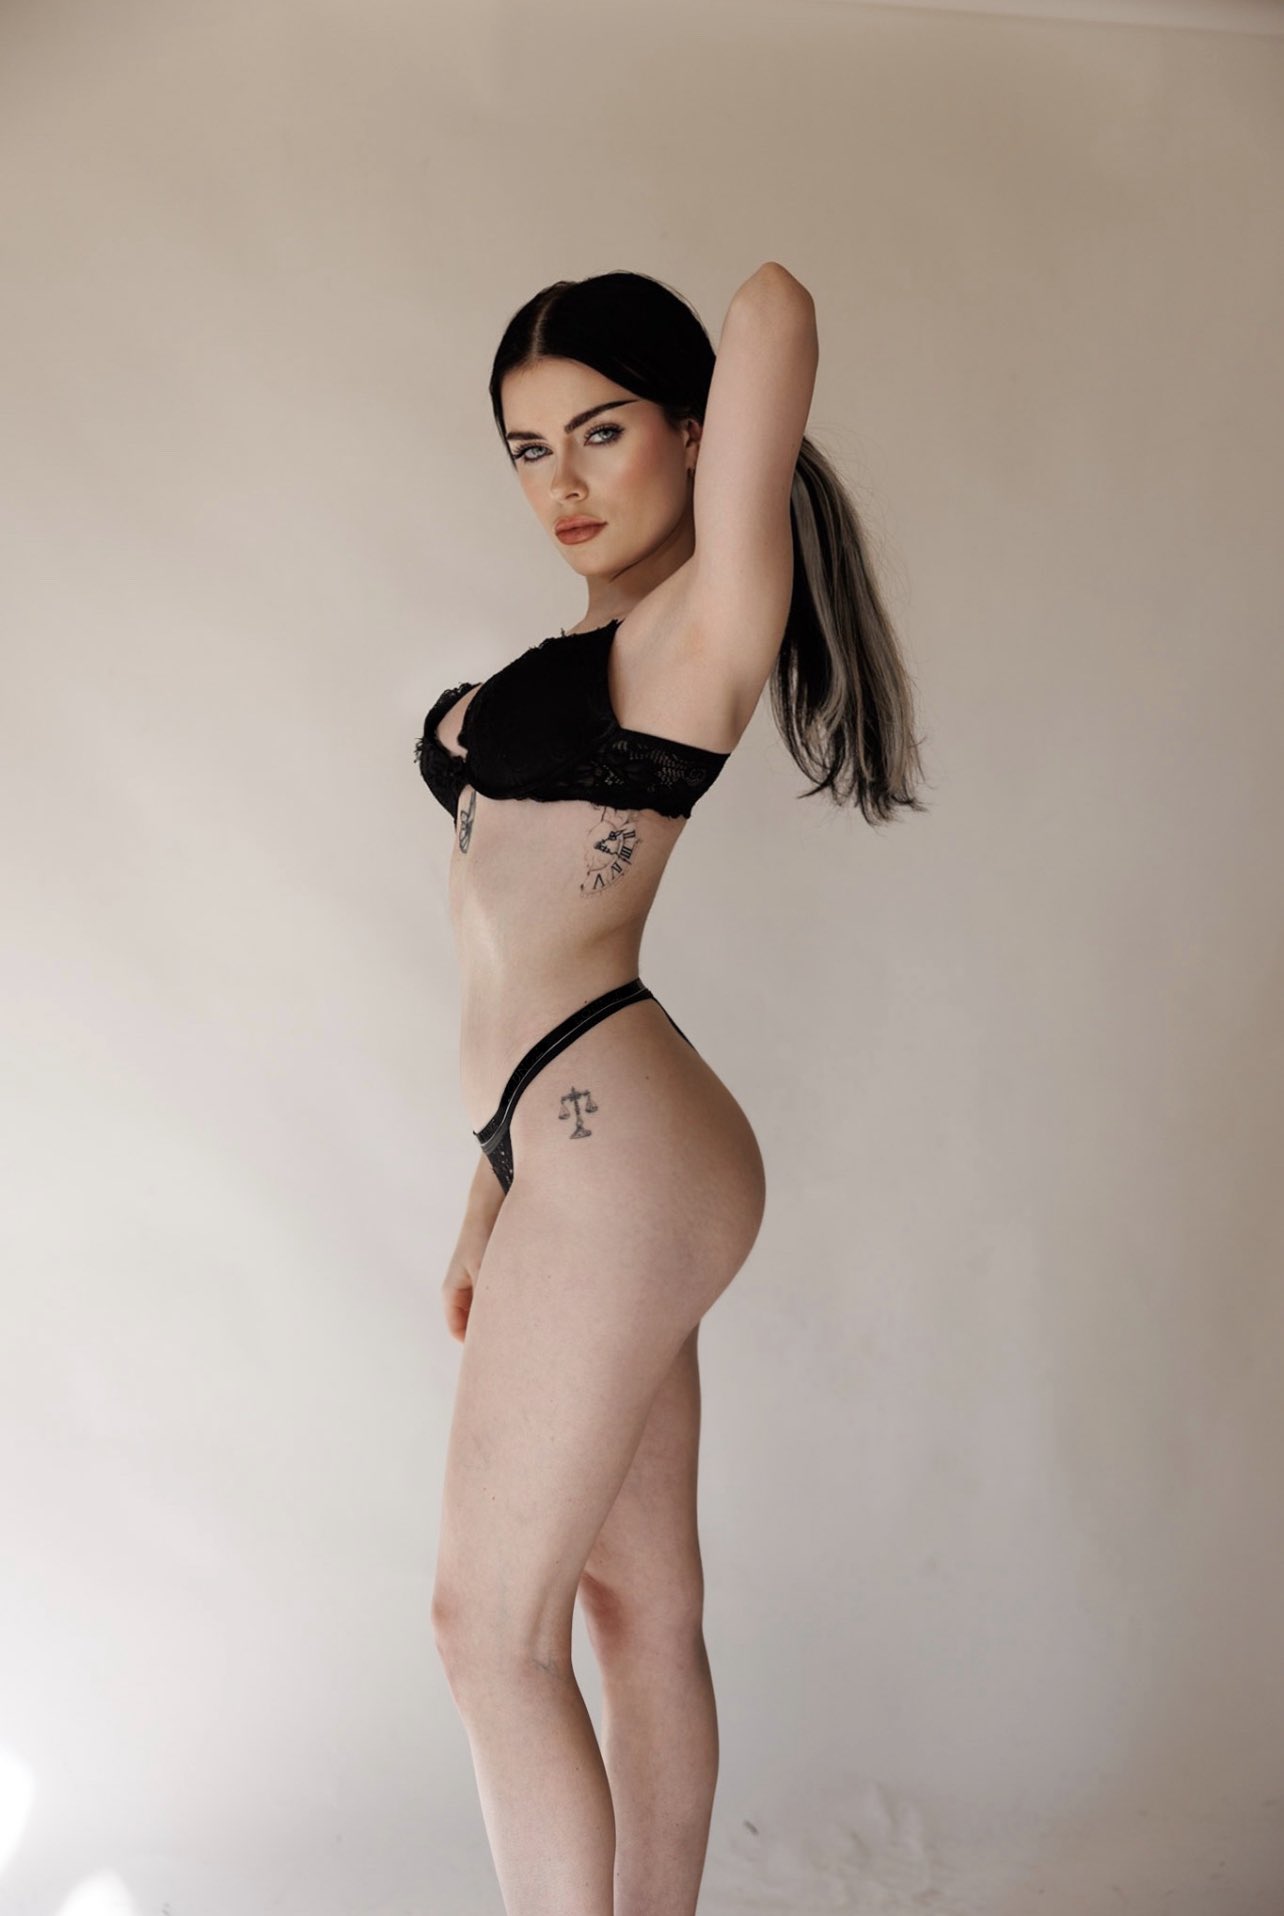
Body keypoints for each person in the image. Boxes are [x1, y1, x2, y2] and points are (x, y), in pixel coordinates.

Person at [414, 262, 927, 1916]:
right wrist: (488, 1196)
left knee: (485, 1633)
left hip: (616, 1140)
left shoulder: (711, 613)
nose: (562, 481)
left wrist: (725, 436)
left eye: (602, 431)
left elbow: (777, 310)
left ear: (695, 436)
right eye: (527, 447)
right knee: (635, 1612)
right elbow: (508, 954)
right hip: (566, 1143)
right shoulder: (587, 641)